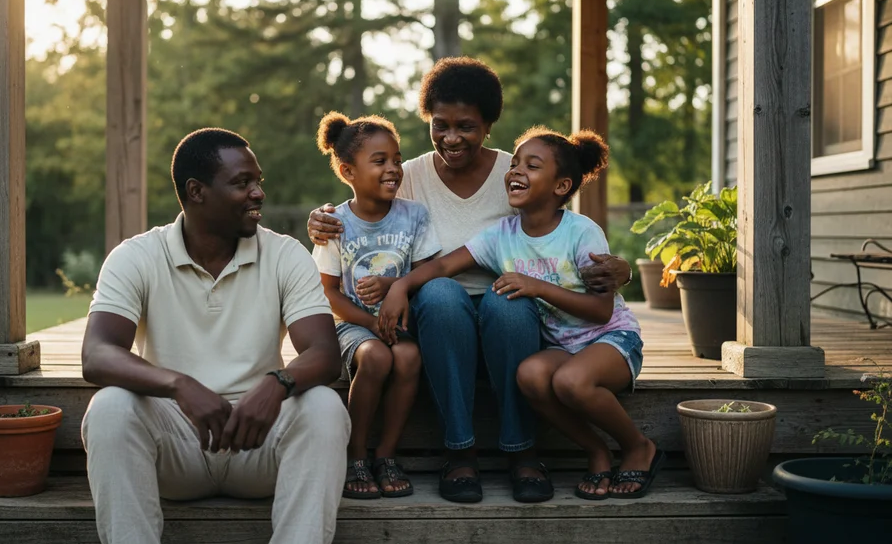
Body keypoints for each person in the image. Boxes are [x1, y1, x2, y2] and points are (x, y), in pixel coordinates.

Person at [307, 57, 632, 503]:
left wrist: (623, 269)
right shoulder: (407, 175)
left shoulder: (516, 172)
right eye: (440, 125)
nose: (451, 138)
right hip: (436, 321)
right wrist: (322, 219)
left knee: (509, 296)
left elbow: (562, 236)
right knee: (440, 292)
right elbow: (362, 203)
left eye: (466, 127)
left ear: (488, 126)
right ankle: (459, 452)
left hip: (512, 324)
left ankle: (522, 452)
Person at [80, 128, 350, 544]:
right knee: (109, 408)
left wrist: (277, 384)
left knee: (323, 406)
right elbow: (97, 354)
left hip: (258, 441)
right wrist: (179, 384)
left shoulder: (284, 254)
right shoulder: (136, 256)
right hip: (177, 445)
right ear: (196, 191)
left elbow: (324, 353)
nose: (258, 193)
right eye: (242, 183)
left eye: (258, 181)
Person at [378, 126, 662, 502]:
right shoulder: (502, 234)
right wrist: (400, 286)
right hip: (559, 343)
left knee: (570, 383)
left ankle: (638, 445)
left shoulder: (581, 232)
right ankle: (596, 450)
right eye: (514, 164)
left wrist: (538, 286)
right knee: (530, 376)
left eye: (532, 165)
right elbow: (444, 267)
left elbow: (600, 310)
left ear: (561, 186)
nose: (515, 172)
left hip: (608, 338)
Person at [311, 112, 440, 499]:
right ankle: (356, 455)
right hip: (353, 324)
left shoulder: (414, 215)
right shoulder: (335, 223)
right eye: (380, 160)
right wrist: (369, 323)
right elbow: (328, 293)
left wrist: (394, 286)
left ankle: (386, 454)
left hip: (397, 321)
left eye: (397, 159)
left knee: (409, 358)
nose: (393, 169)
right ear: (348, 171)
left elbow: (425, 274)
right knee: (378, 358)